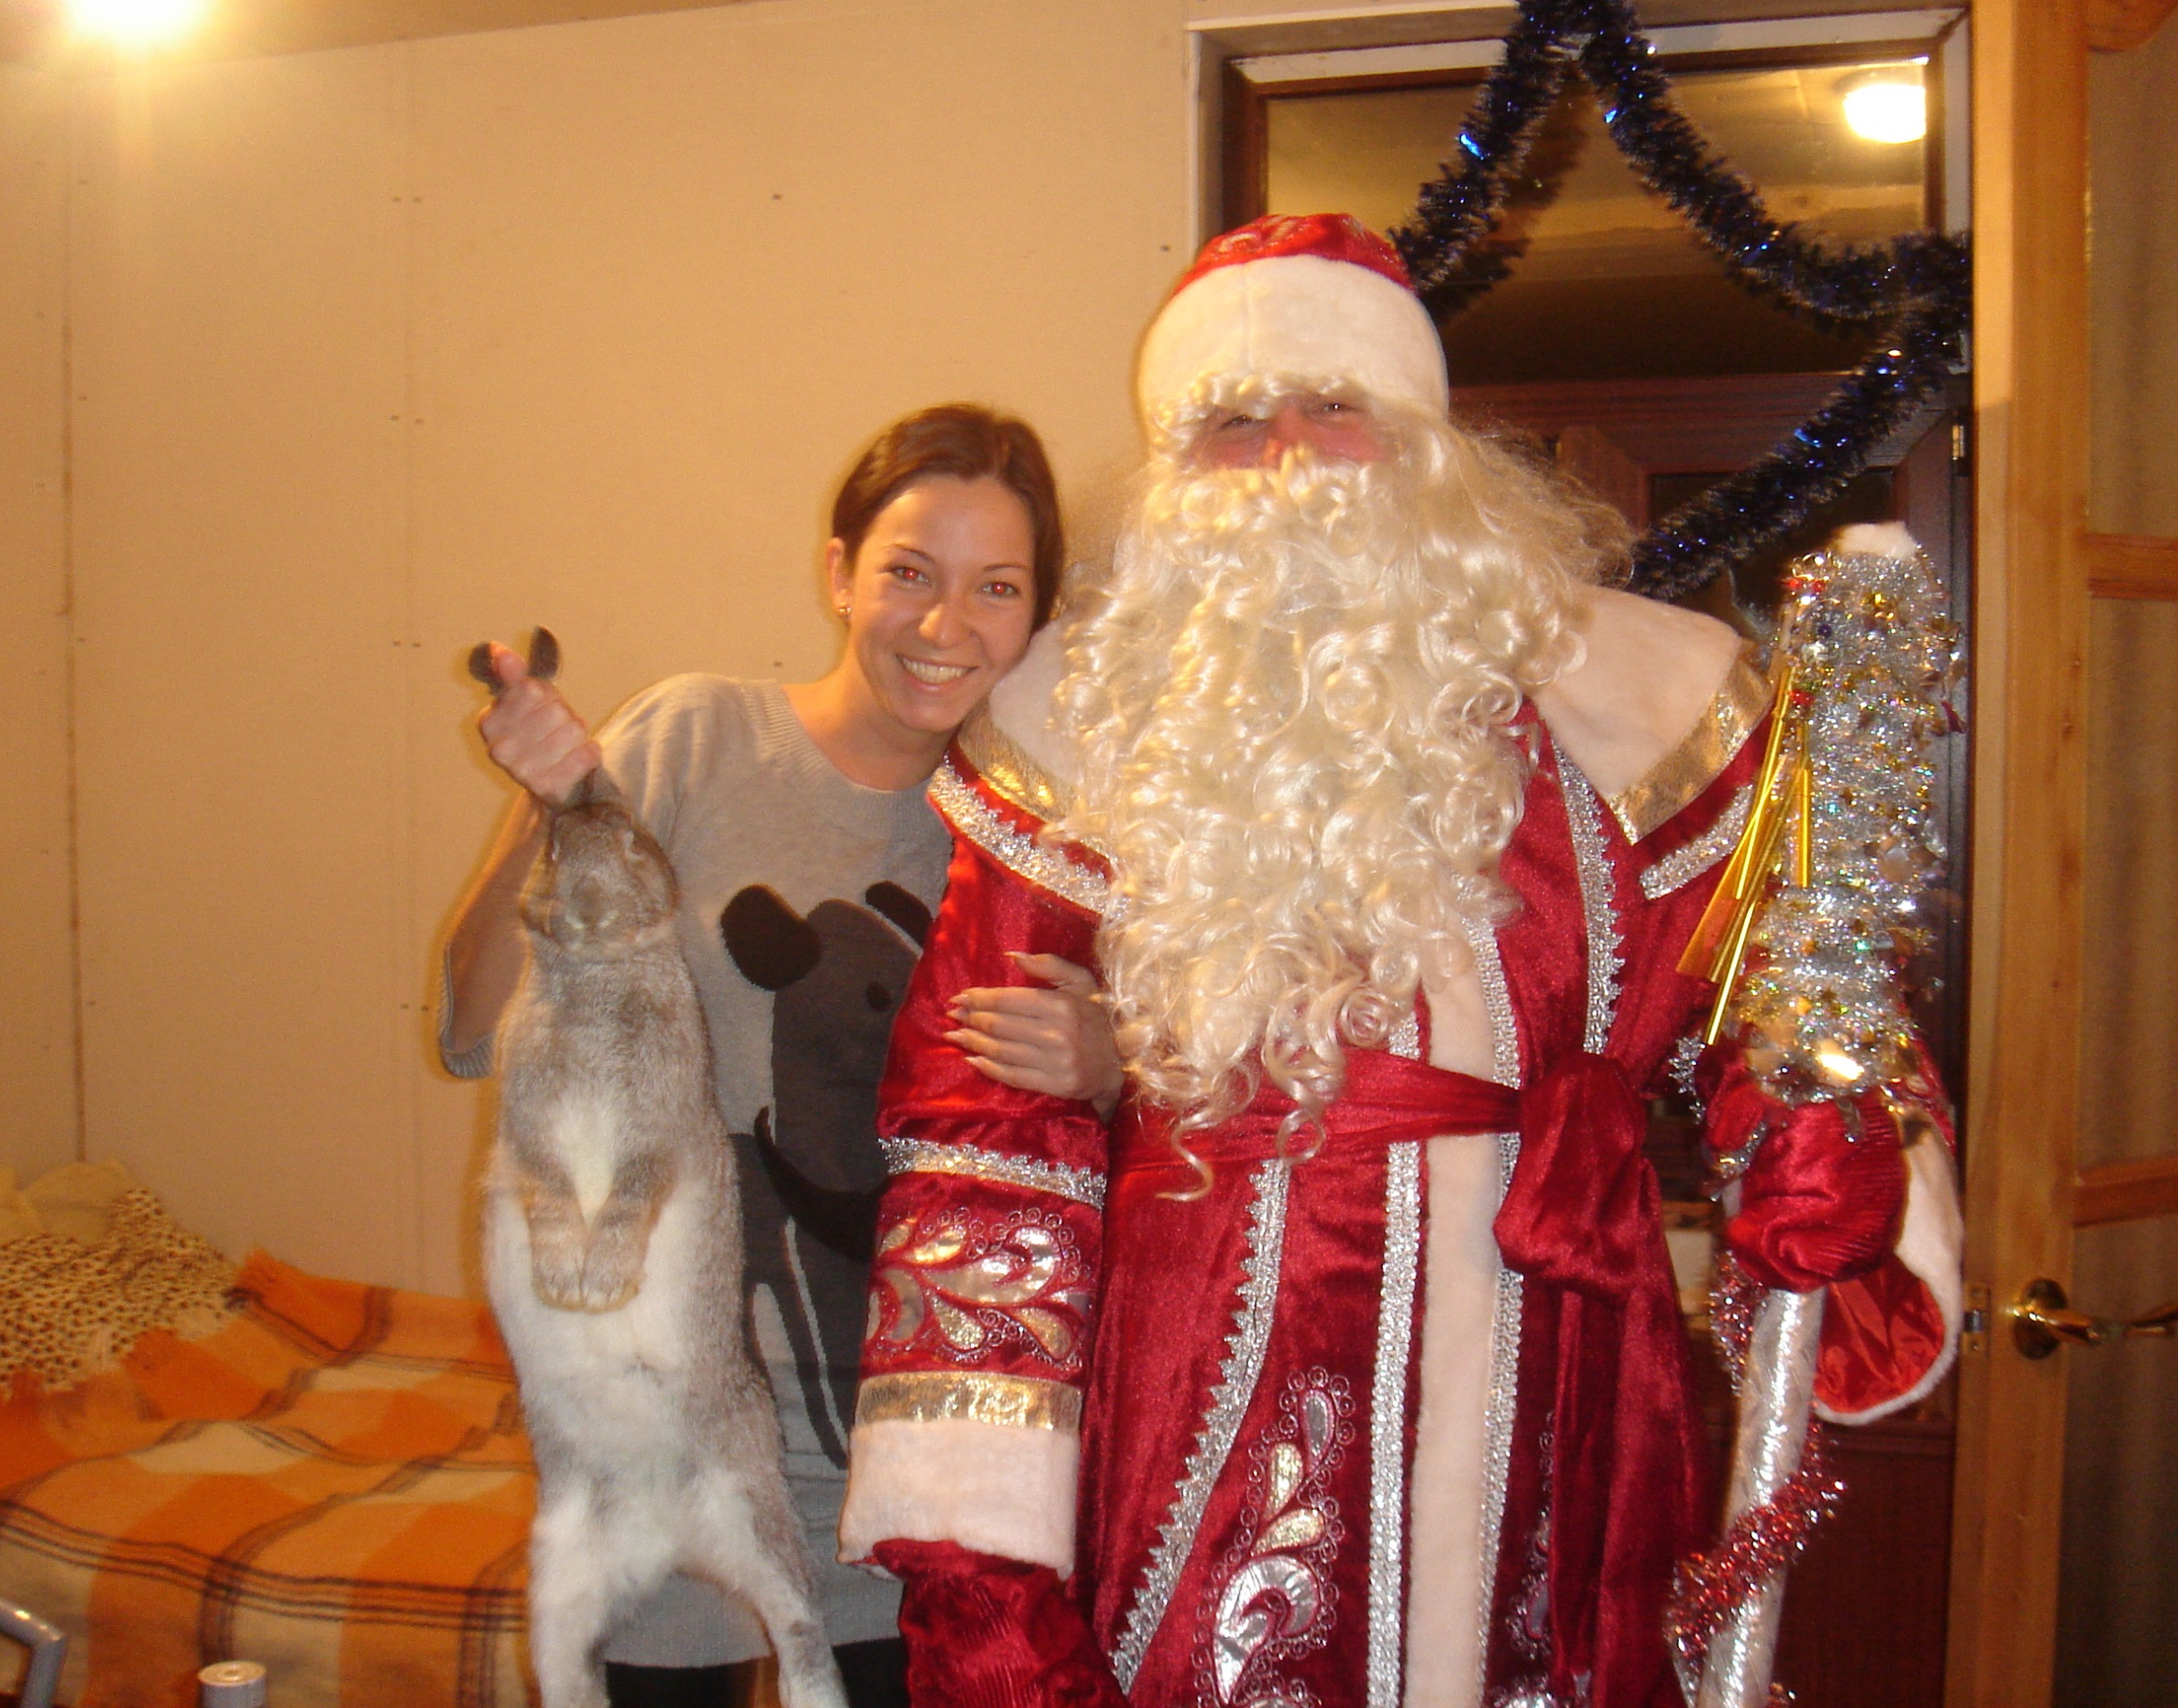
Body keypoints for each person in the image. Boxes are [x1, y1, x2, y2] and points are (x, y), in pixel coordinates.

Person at [837, 217, 1964, 1708]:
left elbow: (1791, 997)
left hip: (1565, 1391)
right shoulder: (1080, 727)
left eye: (1333, 403)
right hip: (1199, 1419)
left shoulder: (1650, 708)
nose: (1285, 454)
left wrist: (1819, 1131)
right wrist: (980, 1565)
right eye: (1231, 420)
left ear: (1427, 440)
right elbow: (984, 1165)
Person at [440, 403, 1110, 1708]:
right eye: (908, 571)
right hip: (674, 1450)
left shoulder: (1041, 834)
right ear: (839, 571)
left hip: (920, 1469)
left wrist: (1108, 1062)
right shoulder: (693, 740)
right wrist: (551, 811)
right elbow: (473, 1027)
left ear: (1037, 616)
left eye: (997, 586)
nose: (945, 624)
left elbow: (1162, 1137)